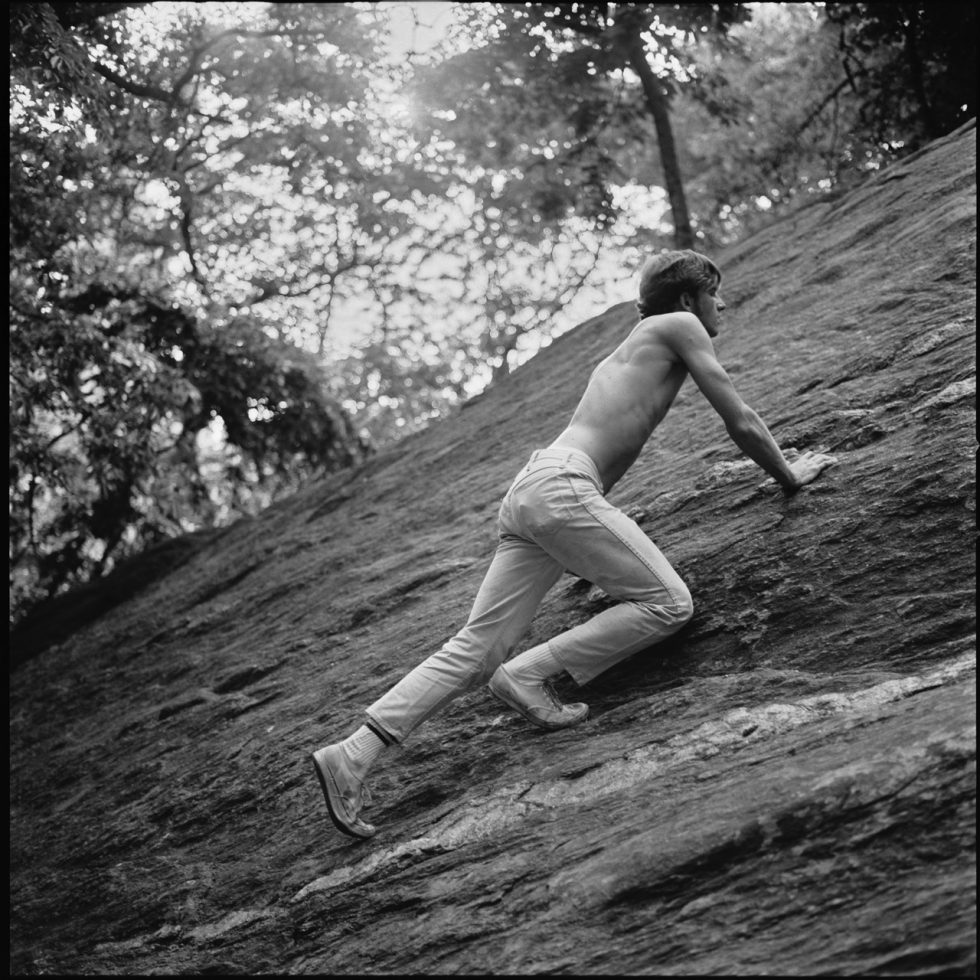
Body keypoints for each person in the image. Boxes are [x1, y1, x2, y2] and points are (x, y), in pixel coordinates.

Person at [311, 249, 837, 839]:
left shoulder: (640, 343)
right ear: (690, 300)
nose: (724, 304)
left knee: (476, 645)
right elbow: (738, 418)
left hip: (537, 491)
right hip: (563, 488)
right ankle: (528, 674)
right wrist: (791, 476)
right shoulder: (679, 326)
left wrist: (592, 556)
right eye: (717, 294)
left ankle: (352, 753)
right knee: (669, 603)